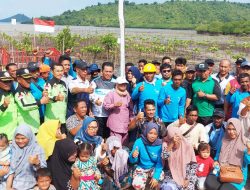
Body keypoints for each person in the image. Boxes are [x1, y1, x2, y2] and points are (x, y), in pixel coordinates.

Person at [205, 118, 250, 190]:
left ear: (239, 129)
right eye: (229, 129)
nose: (231, 132)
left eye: (234, 129)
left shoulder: (245, 143)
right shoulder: (224, 140)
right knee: (209, 184)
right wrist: (216, 161)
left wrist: (248, 151)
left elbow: (248, 161)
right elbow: (217, 155)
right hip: (221, 169)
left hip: (236, 174)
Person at [11, 124, 47, 189]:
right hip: (10, 183)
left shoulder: (37, 148)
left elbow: (43, 170)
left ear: (29, 137)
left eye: (23, 138)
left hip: (31, 184)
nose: (20, 141)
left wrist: (37, 163)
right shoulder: (12, 148)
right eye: (17, 138)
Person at [129, 122, 163, 190]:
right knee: (137, 185)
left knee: (160, 176)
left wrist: (155, 177)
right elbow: (131, 161)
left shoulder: (159, 144)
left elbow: (159, 163)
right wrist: (133, 155)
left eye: (155, 134)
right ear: (146, 132)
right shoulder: (139, 142)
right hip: (142, 167)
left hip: (153, 168)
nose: (153, 136)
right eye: (150, 133)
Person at [15, 68, 47, 133]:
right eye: (26, 78)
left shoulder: (28, 91)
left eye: (29, 78)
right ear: (18, 79)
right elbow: (25, 106)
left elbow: (34, 103)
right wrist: (40, 102)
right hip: (25, 131)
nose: (29, 80)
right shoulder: (19, 93)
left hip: (34, 128)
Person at [103, 77, 133, 145]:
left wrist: (131, 118)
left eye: (125, 84)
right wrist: (114, 105)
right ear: (117, 84)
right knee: (116, 146)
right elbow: (105, 106)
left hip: (125, 125)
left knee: (124, 146)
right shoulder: (111, 94)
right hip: (115, 124)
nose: (123, 85)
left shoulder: (127, 94)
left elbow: (130, 108)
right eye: (121, 84)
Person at [89, 62, 116, 139]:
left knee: (109, 138)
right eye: (106, 71)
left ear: (113, 72)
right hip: (98, 115)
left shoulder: (116, 83)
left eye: (110, 72)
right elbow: (90, 95)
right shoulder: (95, 82)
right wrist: (95, 101)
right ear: (102, 72)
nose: (108, 73)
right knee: (98, 137)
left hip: (111, 115)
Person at [44, 63, 67, 129]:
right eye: (57, 71)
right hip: (52, 118)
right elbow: (46, 99)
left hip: (62, 118)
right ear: (52, 72)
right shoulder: (48, 84)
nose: (60, 73)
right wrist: (56, 98)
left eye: (61, 71)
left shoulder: (63, 83)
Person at [0, 71, 18, 139]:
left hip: (14, 137)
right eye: (5, 81)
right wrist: (3, 106)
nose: (8, 84)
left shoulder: (12, 94)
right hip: (2, 138)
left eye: (9, 81)